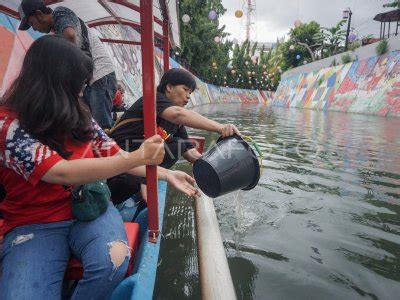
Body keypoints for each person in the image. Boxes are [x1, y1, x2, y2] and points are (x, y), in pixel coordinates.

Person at [0, 35, 198, 299]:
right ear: (55, 81)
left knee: (113, 263)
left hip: (89, 209)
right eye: (79, 84)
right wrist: (137, 157)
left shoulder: (79, 116)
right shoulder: (8, 125)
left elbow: (112, 154)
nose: (83, 92)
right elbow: (58, 171)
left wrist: (167, 173)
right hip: (33, 223)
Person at [107, 68, 240, 202]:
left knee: (179, 144)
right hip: (116, 157)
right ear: (169, 87)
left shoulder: (176, 123)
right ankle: (137, 185)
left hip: (137, 162)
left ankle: (144, 180)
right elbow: (177, 114)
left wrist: (218, 165)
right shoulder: (154, 99)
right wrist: (220, 127)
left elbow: (189, 152)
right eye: (185, 89)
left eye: (190, 92)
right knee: (131, 181)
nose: (188, 96)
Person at [18, 0, 116, 129]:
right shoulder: (56, 31)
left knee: (101, 127)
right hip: (91, 80)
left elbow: (70, 36)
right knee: (88, 127)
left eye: (32, 23)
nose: (35, 29)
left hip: (100, 75)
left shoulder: (60, 13)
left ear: (39, 14)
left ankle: (110, 148)